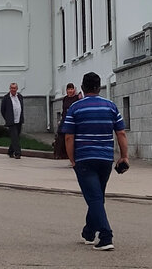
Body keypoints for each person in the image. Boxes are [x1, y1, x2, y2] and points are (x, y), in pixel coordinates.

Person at [61, 71, 129, 252]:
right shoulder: (111, 106)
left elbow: (69, 137)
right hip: (105, 159)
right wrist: (124, 156)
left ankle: (106, 236)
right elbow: (121, 133)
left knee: (94, 197)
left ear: (82, 87)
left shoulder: (75, 108)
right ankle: (89, 233)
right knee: (97, 196)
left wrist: (72, 160)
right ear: (99, 87)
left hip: (84, 159)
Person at [54, 83, 81, 158]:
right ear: (66, 90)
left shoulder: (76, 98)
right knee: (60, 134)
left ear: (74, 90)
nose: (70, 91)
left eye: (71, 89)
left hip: (73, 120)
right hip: (65, 119)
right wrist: (61, 119)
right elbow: (64, 109)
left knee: (71, 137)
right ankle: (59, 154)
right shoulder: (65, 98)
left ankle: (72, 155)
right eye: (69, 89)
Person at [0, 82, 24, 158]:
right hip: (11, 121)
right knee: (15, 137)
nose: (13, 90)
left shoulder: (20, 96)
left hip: (19, 120)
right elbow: (2, 110)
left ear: (17, 89)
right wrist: (7, 118)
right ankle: (18, 153)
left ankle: (10, 151)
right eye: (12, 88)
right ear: (9, 89)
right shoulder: (6, 98)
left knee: (16, 136)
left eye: (14, 88)